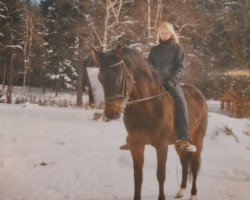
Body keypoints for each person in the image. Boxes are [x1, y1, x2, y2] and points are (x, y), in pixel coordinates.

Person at [120, 22, 196, 152]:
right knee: (137, 100)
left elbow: (181, 68)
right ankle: (133, 136)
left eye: (166, 33)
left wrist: (172, 81)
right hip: (155, 83)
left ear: (171, 33)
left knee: (180, 100)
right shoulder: (155, 50)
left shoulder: (177, 48)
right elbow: (149, 67)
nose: (164, 35)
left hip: (172, 83)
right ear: (159, 34)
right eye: (162, 33)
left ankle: (184, 135)